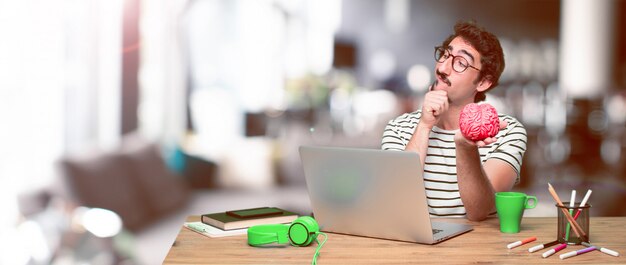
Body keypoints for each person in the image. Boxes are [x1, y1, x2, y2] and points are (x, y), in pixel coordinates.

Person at [381, 21, 527, 221]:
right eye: (445, 55)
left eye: (460, 63)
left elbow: (480, 210)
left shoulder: (506, 132)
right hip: (416, 247)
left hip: (479, 250)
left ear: (483, 82)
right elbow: (393, 198)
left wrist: (466, 147)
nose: (442, 67)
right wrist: (424, 127)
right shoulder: (398, 128)